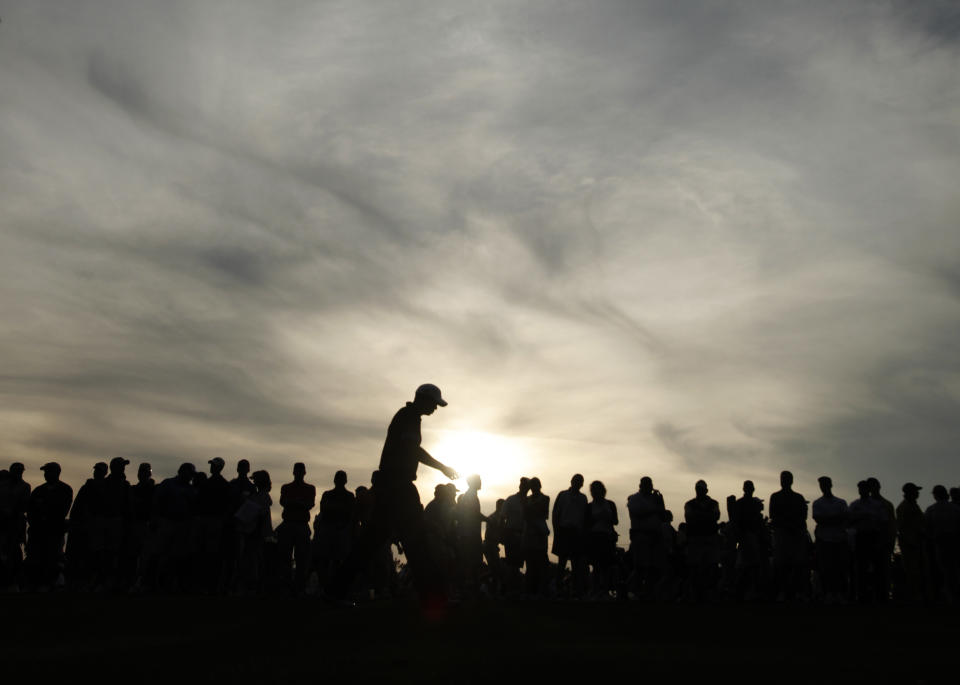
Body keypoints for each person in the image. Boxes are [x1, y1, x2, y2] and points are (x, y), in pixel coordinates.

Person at [340, 384, 458, 607]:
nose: (435, 408)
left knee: (370, 543)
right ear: (423, 399)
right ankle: (435, 599)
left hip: (390, 487)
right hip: (399, 487)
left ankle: (335, 591)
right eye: (434, 403)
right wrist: (442, 467)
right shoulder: (409, 417)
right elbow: (412, 450)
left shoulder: (409, 416)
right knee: (417, 542)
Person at [25, 462, 73, 590]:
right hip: (38, 530)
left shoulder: (65, 489)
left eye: (48, 472)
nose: (46, 475)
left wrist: (47, 518)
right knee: (38, 557)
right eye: (46, 472)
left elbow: (63, 510)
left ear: (56, 473)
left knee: (53, 557)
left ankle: (53, 581)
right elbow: (30, 510)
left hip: (54, 530)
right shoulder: (38, 490)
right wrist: (36, 523)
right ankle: (39, 582)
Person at [153, 463, 197, 593]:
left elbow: (193, 508)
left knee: (177, 556)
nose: (190, 477)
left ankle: (171, 583)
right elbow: (157, 501)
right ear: (181, 472)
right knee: (162, 554)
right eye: (189, 473)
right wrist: (155, 518)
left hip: (182, 525)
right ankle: (157, 583)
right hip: (167, 522)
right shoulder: (168, 484)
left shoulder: (190, 489)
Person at [313, 470, 355, 594]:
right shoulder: (328, 495)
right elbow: (324, 510)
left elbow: (350, 513)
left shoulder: (349, 496)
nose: (340, 481)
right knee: (325, 559)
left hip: (341, 530)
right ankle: (325, 586)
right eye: (339, 478)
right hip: (330, 529)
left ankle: (335, 587)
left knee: (338, 560)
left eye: (342, 478)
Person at [769, 470, 809, 601]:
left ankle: (795, 592)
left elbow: (803, 516)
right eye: (782, 478)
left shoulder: (798, 498)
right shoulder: (775, 497)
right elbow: (773, 516)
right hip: (782, 534)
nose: (784, 481)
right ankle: (782, 591)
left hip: (795, 534)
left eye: (786, 478)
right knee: (781, 565)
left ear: (791, 481)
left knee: (796, 565)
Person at [277, 462, 316, 595]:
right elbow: (283, 502)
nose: (299, 473)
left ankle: (299, 587)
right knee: (285, 557)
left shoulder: (309, 488)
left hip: (300, 525)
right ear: (294, 472)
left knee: (302, 559)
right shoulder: (286, 487)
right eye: (297, 471)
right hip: (289, 524)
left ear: (304, 472)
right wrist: (299, 503)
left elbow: (309, 504)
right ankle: (287, 586)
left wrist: (294, 503)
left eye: (300, 471)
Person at [626, 476, 666, 599]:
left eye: (650, 484)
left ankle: (649, 592)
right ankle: (632, 590)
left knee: (654, 567)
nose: (649, 487)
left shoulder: (655, 499)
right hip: (641, 535)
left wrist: (660, 502)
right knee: (641, 566)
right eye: (647, 484)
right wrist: (655, 509)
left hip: (655, 536)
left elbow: (663, 515)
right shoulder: (634, 498)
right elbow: (637, 513)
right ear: (641, 485)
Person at [812, 476, 848, 603]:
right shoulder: (817, 503)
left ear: (830, 485)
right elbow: (819, 519)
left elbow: (844, 519)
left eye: (825, 484)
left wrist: (828, 519)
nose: (824, 487)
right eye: (822, 484)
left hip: (838, 539)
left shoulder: (840, 502)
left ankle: (838, 593)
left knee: (838, 568)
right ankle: (828, 593)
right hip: (824, 540)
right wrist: (835, 519)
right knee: (826, 568)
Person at [683, 480, 720, 602]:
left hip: (709, 538)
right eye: (698, 489)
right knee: (695, 568)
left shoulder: (713, 503)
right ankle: (696, 595)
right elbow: (689, 517)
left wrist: (698, 516)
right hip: (696, 539)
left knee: (710, 567)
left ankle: (708, 595)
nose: (699, 491)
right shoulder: (690, 504)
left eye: (701, 489)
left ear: (706, 491)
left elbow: (715, 516)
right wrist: (706, 516)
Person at [552, 474, 588, 598]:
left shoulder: (583, 498)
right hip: (564, 531)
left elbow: (584, 517)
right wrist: (557, 530)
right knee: (562, 562)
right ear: (572, 481)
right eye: (576, 481)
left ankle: (575, 589)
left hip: (577, 533)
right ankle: (558, 588)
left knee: (576, 563)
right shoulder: (562, 495)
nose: (578, 483)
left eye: (580, 481)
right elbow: (555, 513)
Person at [925, 484, 960, 603]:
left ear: (935, 496)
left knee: (945, 570)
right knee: (953, 569)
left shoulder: (931, 510)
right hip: (953, 542)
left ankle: (949, 596)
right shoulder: (955, 509)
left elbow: (926, 529)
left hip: (940, 543)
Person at [730, 480, 765, 600]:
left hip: (751, 536)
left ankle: (747, 592)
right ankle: (743, 592)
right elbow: (736, 522)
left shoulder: (745, 503)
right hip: (746, 536)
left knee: (750, 567)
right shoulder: (744, 504)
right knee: (747, 567)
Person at [585, 480, 618, 599]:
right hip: (594, 538)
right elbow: (586, 524)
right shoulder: (589, 506)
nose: (596, 492)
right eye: (594, 490)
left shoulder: (610, 504)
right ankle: (594, 590)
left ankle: (604, 590)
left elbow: (616, 521)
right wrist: (598, 517)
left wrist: (606, 517)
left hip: (607, 537)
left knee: (606, 566)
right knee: (596, 566)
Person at [454, 474, 485, 598]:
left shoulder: (470, 495)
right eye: (479, 480)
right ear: (473, 482)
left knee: (472, 562)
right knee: (472, 562)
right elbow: (474, 514)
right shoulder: (471, 496)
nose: (481, 482)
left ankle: (470, 590)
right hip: (470, 534)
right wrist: (488, 519)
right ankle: (469, 591)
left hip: (469, 533)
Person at [895, 482, 926, 603]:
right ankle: (914, 596)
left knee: (917, 571)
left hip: (916, 543)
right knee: (912, 571)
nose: (917, 493)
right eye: (915, 491)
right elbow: (902, 528)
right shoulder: (904, 507)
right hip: (911, 544)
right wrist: (911, 541)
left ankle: (917, 595)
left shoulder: (912, 505)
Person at [500, 477, 530, 596]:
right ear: (520, 486)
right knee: (512, 564)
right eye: (523, 485)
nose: (524, 488)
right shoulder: (511, 500)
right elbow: (502, 518)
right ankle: (507, 589)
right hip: (511, 534)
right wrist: (502, 534)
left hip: (524, 535)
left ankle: (514, 590)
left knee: (517, 564)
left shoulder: (529, 501)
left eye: (526, 486)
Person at [522, 477, 550, 597]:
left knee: (542, 563)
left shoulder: (545, 498)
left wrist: (531, 512)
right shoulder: (527, 500)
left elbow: (544, 514)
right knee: (530, 563)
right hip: (529, 534)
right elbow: (525, 515)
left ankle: (541, 590)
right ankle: (531, 590)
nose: (533, 489)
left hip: (539, 533)